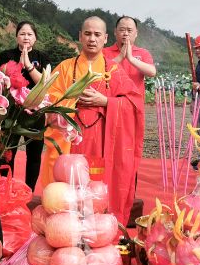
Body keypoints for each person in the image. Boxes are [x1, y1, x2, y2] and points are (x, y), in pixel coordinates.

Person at [40, 17, 143, 224]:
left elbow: (134, 104)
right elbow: (48, 101)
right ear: (79, 36)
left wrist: (106, 102)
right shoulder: (66, 68)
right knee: (66, 192)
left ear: (105, 39)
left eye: (97, 35)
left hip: (102, 143)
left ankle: (99, 231)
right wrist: (72, 99)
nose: (92, 39)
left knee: (97, 190)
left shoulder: (113, 71)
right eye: (87, 34)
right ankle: (65, 230)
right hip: (70, 142)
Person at [0, 21, 50, 189]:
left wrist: (28, 65)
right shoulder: (6, 55)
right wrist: (19, 64)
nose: (26, 37)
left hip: (35, 113)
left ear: (35, 38)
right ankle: (7, 188)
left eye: (30, 34)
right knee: (7, 152)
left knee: (34, 155)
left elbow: (45, 83)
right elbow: (0, 81)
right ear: (16, 36)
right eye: (22, 34)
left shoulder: (43, 58)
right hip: (11, 112)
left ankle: (29, 191)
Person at [104, 16, 157, 97]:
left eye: (129, 30)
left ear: (136, 33)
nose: (125, 33)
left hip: (135, 103)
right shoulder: (104, 52)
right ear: (115, 32)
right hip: (110, 102)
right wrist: (120, 57)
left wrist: (131, 59)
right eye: (122, 30)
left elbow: (152, 72)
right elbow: (99, 72)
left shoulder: (143, 53)